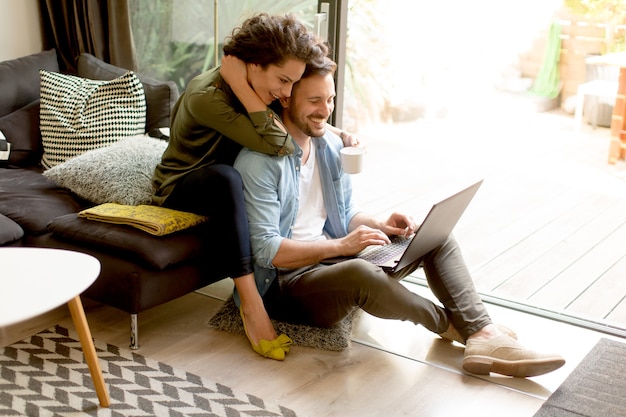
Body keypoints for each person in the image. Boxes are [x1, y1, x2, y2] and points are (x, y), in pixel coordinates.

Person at [233, 57, 566, 377]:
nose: (326, 110)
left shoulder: (330, 147)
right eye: (315, 100)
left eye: (331, 99)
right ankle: (465, 330)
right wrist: (342, 247)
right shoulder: (259, 162)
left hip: (332, 263)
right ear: (287, 99)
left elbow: (344, 215)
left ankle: (482, 330)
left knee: (435, 236)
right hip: (285, 285)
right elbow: (268, 251)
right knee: (361, 273)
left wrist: (379, 225)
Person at [151, 13, 331, 360]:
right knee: (226, 178)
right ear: (252, 64)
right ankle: (251, 305)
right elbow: (282, 145)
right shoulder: (208, 95)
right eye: (282, 80)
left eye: (292, 84)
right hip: (181, 186)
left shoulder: (259, 90)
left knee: (234, 176)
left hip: (224, 183)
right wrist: (236, 85)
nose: (285, 92)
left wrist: (334, 131)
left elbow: (286, 128)